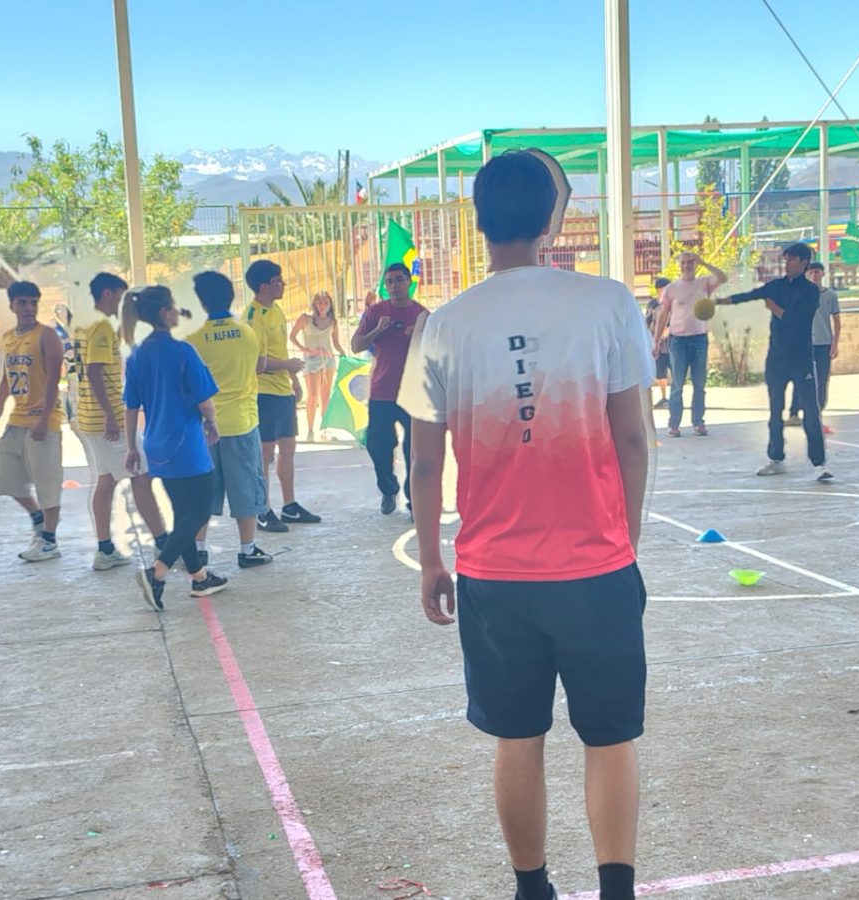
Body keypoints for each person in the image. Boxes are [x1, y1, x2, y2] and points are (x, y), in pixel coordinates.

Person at [400, 150, 652, 900]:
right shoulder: (607, 303)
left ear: (478, 222)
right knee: (610, 736)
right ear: (552, 219)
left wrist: (431, 561)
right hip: (596, 567)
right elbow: (633, 437)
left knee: (518, 735)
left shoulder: (443, 326)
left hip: (493, 575)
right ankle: (616, 890)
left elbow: (421, 465)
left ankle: (531, 887)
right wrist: (624, 543)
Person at [121, 285, 228, 609]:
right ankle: (158, 572)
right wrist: (213, 423)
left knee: (183, 512)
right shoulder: (183, 351)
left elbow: (131, 405)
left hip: (155, 442)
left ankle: (199, 578)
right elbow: (204, 401)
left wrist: (132, 447)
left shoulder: (138, 353)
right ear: (165, 312)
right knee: (198, 510)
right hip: (186, 443)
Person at [75, 272, 169, 571]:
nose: (122, 302)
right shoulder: (101, 325)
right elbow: (93, 371)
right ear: (107, 294)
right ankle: (164, 543)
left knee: (107, 480)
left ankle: (104, 548)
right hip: (106, 419)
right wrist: (111, 416)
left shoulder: (83, 323)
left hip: (89, 417)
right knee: (140, 476)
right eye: (119, 295)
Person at [719, 242, 832, 480]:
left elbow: (799, 321)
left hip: (801, 359)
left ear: (803, 263)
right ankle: (776, 458)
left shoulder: (810, 291)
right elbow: (751, 295)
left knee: (810, 411)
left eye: (791, 259)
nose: (787, 263)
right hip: (777, 360)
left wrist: (774, 308)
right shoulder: (777, 286)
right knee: (774, 410)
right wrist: (721, 302)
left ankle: (819, 463)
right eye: (786, 258)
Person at [186, 271, 274, 570]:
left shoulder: (193, 338)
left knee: (202, 492)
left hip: (203, 427)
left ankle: (198, 550)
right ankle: (247, 550)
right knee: (246, 487)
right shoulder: (248, 332)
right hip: (242, 422)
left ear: (200, 301)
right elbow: (260, 367)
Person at [0, 281, 66, 561]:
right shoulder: (8, 337)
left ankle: (50, 541)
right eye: (23, 303)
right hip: (17, 419)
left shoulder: (47, 335)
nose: (29, 308)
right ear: (12, 306)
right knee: (2, 476)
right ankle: (38, 519)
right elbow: (7, 378)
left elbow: (55, 379)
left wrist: (44, 418)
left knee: (47, 482)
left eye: (33, 302)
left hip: (44, 419)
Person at [243, 260, 322, 531]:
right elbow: (257, 364)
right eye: (278, 281)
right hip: (263, 393)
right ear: (264, 286)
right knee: (264, 455)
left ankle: (289, 506)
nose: (284, 285)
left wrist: (293, 379)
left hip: (282, 391)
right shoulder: (253, 317)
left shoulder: (276, 310)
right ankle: (263, 509)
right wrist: (288, 366)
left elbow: (280, 351)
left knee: (288, 447)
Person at [351, 262, 427, 514]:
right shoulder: (376, 312)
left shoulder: (422, 314)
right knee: (378, 445)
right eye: (389, 282)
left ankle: (413, 499)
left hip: (412, 392)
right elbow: (356, 345)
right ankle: (388, 488)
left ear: (409, 282)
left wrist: (419, 334)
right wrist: (377, 329)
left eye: (398, 280)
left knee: (414, 449)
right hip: (382, 390)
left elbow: (437, 351)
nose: (394, 286)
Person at [652, 252, 727, 437]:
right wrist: (656, 340)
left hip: (699, 338)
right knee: (677, 384)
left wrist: (703, 261)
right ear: (679, 265)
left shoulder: (704, 283)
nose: (687, 265)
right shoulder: (672, 289)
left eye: (691, 262)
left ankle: (698, 422)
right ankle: (674, 424)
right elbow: (663, 315)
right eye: (684, 262)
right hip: (678, 340)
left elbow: (722, 277)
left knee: (699, 383)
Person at [787, 262, 841, 430]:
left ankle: (817, 413)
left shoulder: (830, 295)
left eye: (817, 272)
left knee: (821, 379)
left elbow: (837, 321)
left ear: (823, 274)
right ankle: (794, 413)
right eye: (811, 272)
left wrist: (835, 343)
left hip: (823, 343)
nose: (814, 275)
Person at [290, 290, 345, 442]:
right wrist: (306, 350)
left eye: (326, 303)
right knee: (313, 396)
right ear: (314, 304)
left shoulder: (332, 321)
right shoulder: (306, 319)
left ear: (330, 305)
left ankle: (324, 429)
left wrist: (344, 354)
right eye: (320, 302)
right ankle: (309, 430)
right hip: (312, 360)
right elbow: (292, 336)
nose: (322, 306)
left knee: (326, 395)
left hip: (328, 360)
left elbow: (336, 342)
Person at [646, 280, 670, 409]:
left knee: (676, 371)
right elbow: (647, 321)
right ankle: (664, 397)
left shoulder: (675, 303)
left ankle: (676, 398)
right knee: (660, 372)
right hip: (657, 344)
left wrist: (669, 330)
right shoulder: (653, 305)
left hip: (673, 342)